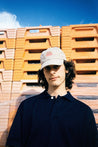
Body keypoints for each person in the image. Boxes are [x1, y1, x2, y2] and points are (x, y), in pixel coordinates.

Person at [6, 47, 98, 147]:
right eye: (47, 68)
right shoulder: (27, 107)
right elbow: (13, 143)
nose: (52, 72)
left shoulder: (83, 112)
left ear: (66, 69)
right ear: (43, 73)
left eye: (56, 66)